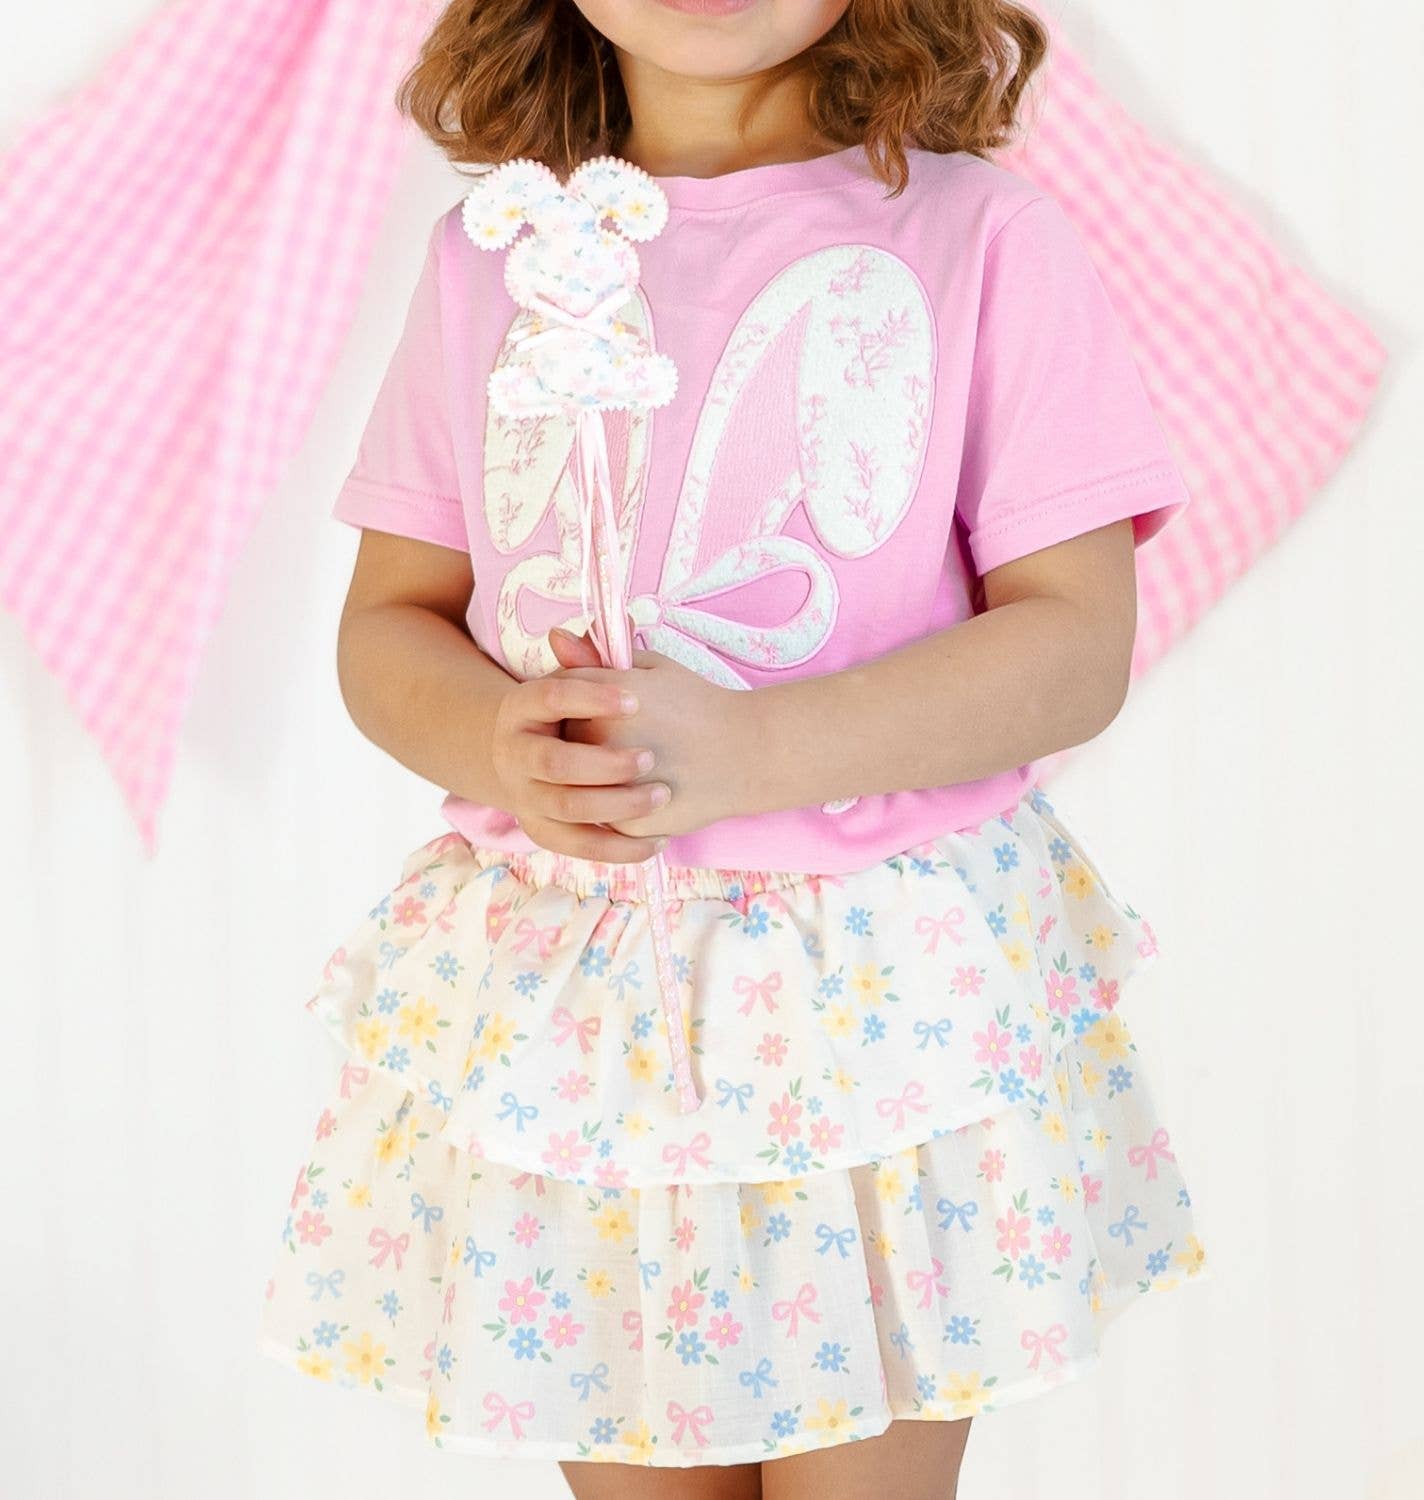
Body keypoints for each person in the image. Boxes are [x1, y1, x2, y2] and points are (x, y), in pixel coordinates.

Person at [256, 3, 1212, 1495]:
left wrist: (749, 750)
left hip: (873, 995)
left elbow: (1076, 643)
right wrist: (499, 746)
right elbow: (392, 625)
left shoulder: (981, 238)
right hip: (579, 1009)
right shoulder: (494, 256)